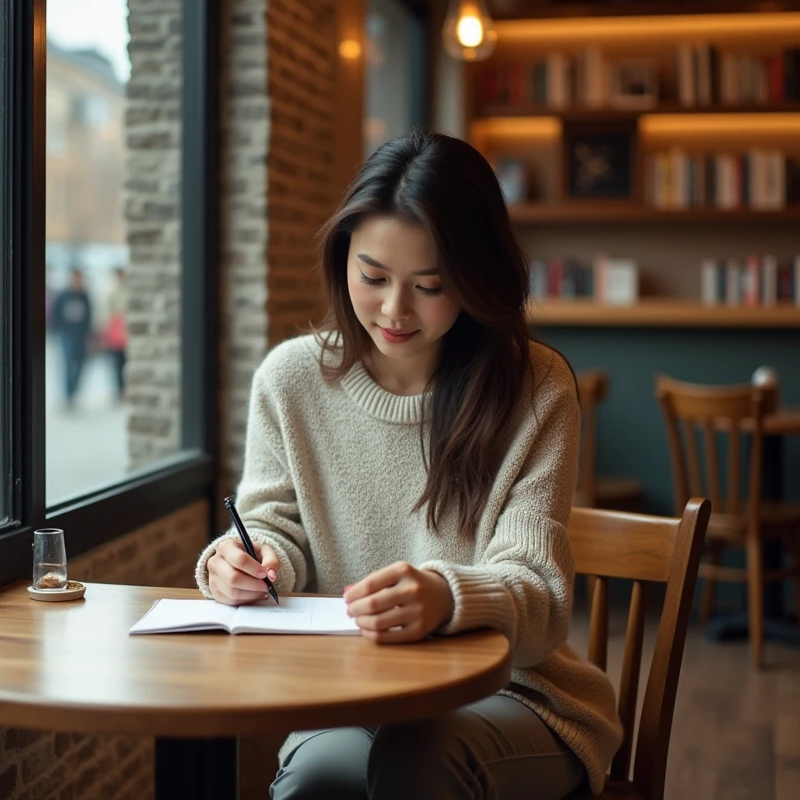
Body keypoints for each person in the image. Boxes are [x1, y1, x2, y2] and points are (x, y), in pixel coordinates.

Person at [194, 130, 623, 800]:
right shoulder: (291, 380)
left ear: (477, 280)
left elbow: (540, 598)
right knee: (313, 782)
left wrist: (448, 598)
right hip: (351, 690)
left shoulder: (535, 388)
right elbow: (273, 527)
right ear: (343, 259)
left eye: (429, 286)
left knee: (419, 760)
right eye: (372, 277)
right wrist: (246, 563)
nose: (394, 311)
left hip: (516, 696)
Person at [50, 268, 93, 409]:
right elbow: (55, 314)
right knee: (68, 362)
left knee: (81, 362)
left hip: (81, 334)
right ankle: (68, 395)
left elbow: (89, 316)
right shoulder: (63, 295)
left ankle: (74, 391)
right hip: (66, 334)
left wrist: (90, 334)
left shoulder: (84, 296)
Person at [103, 267, 128, 402]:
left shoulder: (128, 291)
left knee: (125, 362)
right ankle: (119, 389)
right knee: (117, 364)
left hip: (125, 333)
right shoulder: (111, 292)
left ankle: (124, 389)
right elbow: (107, 314)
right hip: (115, 332)